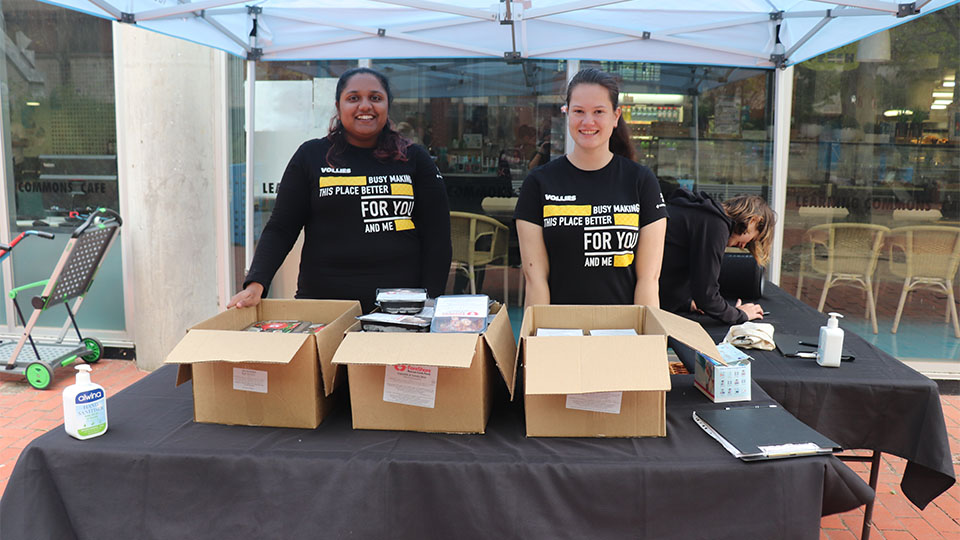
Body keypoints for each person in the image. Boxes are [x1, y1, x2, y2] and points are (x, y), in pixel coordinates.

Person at [227, 67, 452, 313]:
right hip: (324, 305)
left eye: (375, 98)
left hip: (399, 309)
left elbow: (437, 238)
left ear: (388, 105)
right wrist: (256, 282)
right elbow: (281, 227)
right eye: (353, 98)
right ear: (338, 105)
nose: (365, 106)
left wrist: (431, 302)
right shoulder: (310, 156)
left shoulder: (415, 158)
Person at [514, 68, 668, 307]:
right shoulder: (539, 183)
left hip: (622, 334)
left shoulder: (641, 181)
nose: (588, 121)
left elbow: (648, 280)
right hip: (559, 334)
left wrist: (646, 342)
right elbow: (535, 280)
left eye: (599, 111)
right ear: (567, 114)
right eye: (578, 111)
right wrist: (538, 340)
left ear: (616, 117)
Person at [658, 189, 774, 324]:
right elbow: (706, 295)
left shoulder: (702, 214)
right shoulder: (715, 225)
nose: (743, 246)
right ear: (753, 220)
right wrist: (741, 315)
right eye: (751, 240)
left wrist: (687, 302)